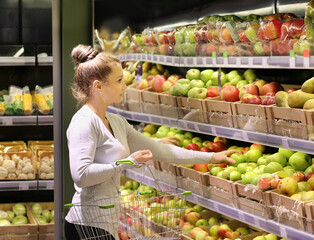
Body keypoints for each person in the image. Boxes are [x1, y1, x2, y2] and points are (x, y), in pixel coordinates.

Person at [64, 44, 238, 240]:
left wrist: (212, 156)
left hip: (107, 223)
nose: (125, 86)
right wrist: (127, 162)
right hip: (86, 226)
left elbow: (161, 150)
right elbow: (81, 175)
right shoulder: (84, 122)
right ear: (98, 86)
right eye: (119, 80)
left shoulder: (116, 121)